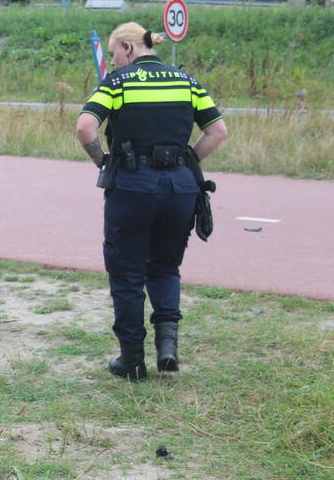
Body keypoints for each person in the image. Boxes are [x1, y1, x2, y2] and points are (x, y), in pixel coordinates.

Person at [76, 22, 228, 381]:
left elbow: (85, 128)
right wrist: (186, 160)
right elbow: (217, 130)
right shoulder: (187, 81)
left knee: (127, 274)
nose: (113, 63)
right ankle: (167, 350)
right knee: (165, 267)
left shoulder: (117, 83)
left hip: (132, 186)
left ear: (128, 48)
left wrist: (103, 160)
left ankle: (131, 361)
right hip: (180, 187)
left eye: (114, 55)